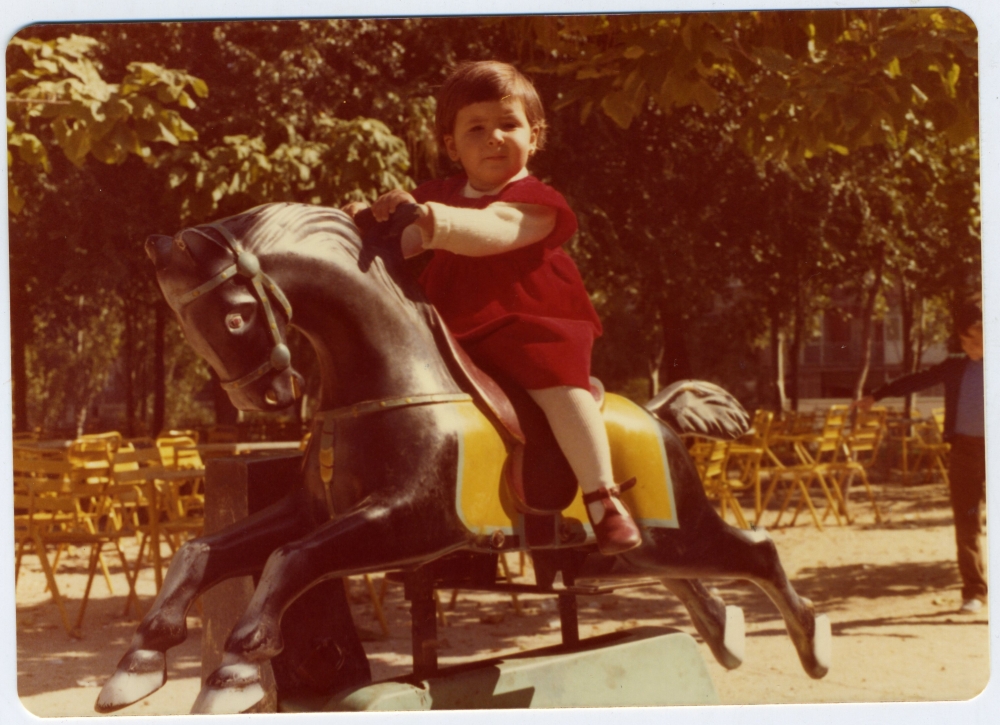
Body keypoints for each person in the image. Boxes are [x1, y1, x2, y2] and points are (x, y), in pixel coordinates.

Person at [344, 60, 641, 554]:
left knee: (560, 391)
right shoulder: (437, 195)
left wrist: (425, 216)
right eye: (475, 129)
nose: (494, 138)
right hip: (456, 324)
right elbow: (406, 244)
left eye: (509, 124)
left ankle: (602, 496)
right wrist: (367, 223)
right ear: (450, 145)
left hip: (531, 323)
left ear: (536, 135)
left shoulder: (535, 201)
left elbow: (494, 229)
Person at [853, 301, 986, 613]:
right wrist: (877, 394)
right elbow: (917, 380)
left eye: (976, 340)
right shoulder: (956, 365)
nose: (969, 347)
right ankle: (975, 592)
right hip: (964, 452)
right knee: (966, 523)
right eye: (965, 340)